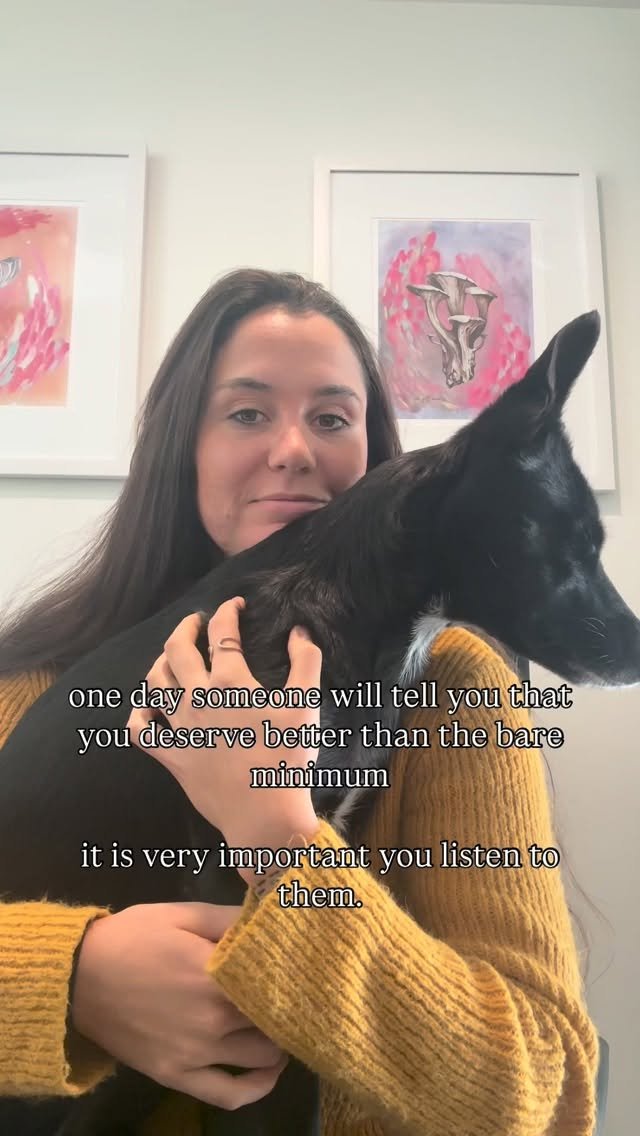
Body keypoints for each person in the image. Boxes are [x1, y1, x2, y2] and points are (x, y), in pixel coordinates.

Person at [0, 267, 600, 1135]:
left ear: (374, 452)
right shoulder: (32, 677)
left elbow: (543, 1092)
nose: (293, 450)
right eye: (247, 413)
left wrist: (279, 839)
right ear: (183, 447)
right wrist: (70, 983)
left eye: (331, 418)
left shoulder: (453, 689)